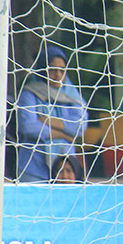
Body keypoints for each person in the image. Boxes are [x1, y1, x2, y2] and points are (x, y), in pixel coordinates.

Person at [15, 45, 89, 182]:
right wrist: (63, 134)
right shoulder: (29, 93)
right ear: (43, 69)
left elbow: (79, 126)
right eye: (52, 70)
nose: (58, 75)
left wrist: (47, 120)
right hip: (34, 167)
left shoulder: (72, 94)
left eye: (62, 70)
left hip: (64, 169)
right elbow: (28, 126)